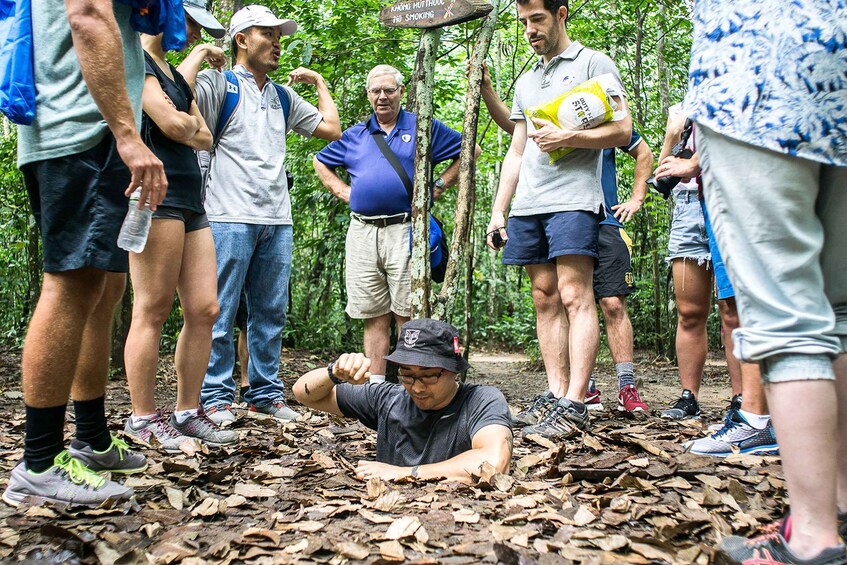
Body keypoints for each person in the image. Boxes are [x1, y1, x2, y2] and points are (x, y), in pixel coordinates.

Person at [686, 2, 847, 561]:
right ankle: (841, 508)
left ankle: (811, 539)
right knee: (841, 308)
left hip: (756, 69)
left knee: (786, 313)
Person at [3, 0, 167, 507]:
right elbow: (88, 14)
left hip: (79, 129)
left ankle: (90, 438)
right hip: (83, 129)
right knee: (72, 283)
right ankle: (39, 463)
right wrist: (127, 133)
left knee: (100, 286)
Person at [180, 5, 342, 424]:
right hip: (227, 214)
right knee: (219, 308)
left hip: (277, 218)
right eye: (267, 34)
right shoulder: (220, 84)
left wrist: (320, 81)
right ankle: (214, 397)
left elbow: (331, 129)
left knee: (270, 311)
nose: (276, 42)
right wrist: (199, 56)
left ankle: (264, 394)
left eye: (279, 36)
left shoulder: (282, 95)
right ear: (241, 40)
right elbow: (179, 104)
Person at [485, 0, 632, 438]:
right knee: (544, 296)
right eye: (524, 22)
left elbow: (623, 131)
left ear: (562, 14)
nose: (530, 30)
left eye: (538, 20)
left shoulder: (593, 63)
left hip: (574, 198)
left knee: (574, 294)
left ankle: (575, 401)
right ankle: (554, 395)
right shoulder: (527, 80)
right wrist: (499, 209)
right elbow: (517, 150)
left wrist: (571, 136)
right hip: (529, 203)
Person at [122, 0, 238, 450]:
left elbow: (205, 135)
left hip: (192, 199)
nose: (192, 33)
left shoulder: (171, 74)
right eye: (188, 23)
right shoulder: (136, 60)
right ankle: (143, 418)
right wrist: (184, 123)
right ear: (167, 17)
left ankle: (188, 410)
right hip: (156, 197)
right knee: (152, 308)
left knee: (206, 308)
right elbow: (172, 125)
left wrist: (184, 123)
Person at [313, 65, 478, 381]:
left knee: (407, 312)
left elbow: (470, 150)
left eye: (389, 90)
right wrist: (343, 191)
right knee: (373, 314)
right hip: (362, 231)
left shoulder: (423, 127)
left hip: (406, 229)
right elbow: (320, 160)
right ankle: (375, 386)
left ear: (402, 92)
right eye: (376, 91)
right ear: (368, 95)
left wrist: (438, 186)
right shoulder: (355, 136)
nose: (382, 96)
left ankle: (410, 385)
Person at [293, 319, 513, 483]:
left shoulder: (481, 401)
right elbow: (304, 393)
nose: (417, 387)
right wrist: (334, 372)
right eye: (407, 375)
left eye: (429, 375)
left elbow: (494, 463)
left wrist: (404, 473)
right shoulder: (388, 398)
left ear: (453, 371)